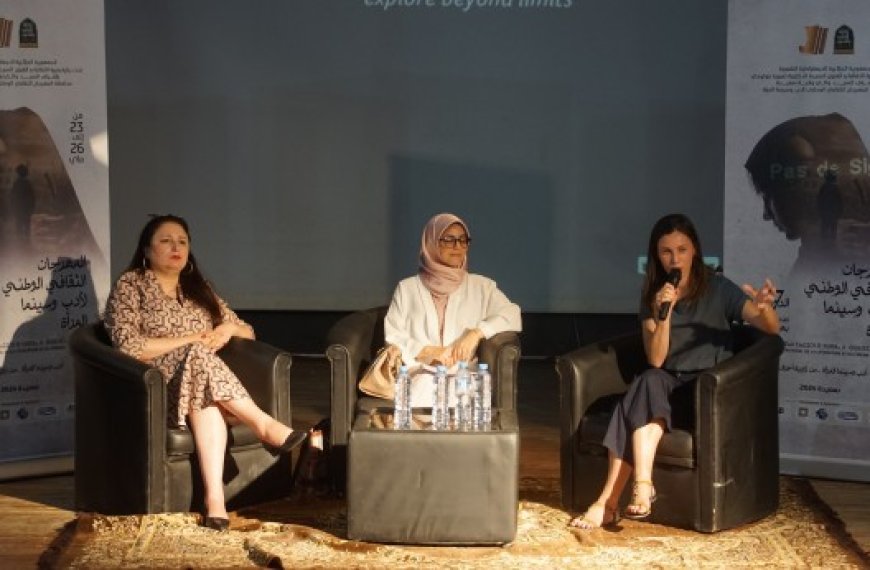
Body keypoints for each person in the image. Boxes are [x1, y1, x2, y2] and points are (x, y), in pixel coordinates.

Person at [569, 213, 780, 529]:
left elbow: (771, 329)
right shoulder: (653, 294)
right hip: (667, 384)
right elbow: (656, 358)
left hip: (708, 390)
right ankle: (642, 487)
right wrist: (661, 314)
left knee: (634, 401)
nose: (675, 258)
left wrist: (764, 309)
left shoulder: (718, 288)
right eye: (667, 251)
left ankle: (607, 502)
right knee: (649, 380)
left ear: (694, 249)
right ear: (657, 255)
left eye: (681, 249)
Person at [103, 214, 306, 531]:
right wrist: (192, 340)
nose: (176, 247)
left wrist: (226, 328)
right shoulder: (131, 285)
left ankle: (215, 502)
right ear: (146, 249)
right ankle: (263, 424)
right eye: (166, 240)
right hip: (154, 388)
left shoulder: (199, 288)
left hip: (201, 388)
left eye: (182, 241)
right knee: (197, 354)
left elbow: (248, 332)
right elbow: (128, 346)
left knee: (205, 398)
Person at [384, 212, 521, 406]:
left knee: (465, 408)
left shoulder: (482, 286)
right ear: (431, 242)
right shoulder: (407, 288)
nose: (457, 247)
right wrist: (429, 352)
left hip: (465, 377)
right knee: (420, 403)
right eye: (448, 240)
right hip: (420, 375)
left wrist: (476, 333)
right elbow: (393, 336)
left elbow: (512, 313)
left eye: (463, 240)